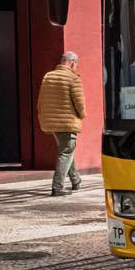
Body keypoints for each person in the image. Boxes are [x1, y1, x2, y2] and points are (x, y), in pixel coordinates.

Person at [36, 52, 87, 195]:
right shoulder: (73, 78)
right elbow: (79, 102)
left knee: (66, 150)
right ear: (72, 62)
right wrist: (82, 115)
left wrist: (43, 116)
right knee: (66, 151)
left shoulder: (48, 76)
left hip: (52, 122)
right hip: (67, 121)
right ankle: (57, 187)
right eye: (76, 64)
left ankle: (76, 181)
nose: (76, 67)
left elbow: (40, 100)